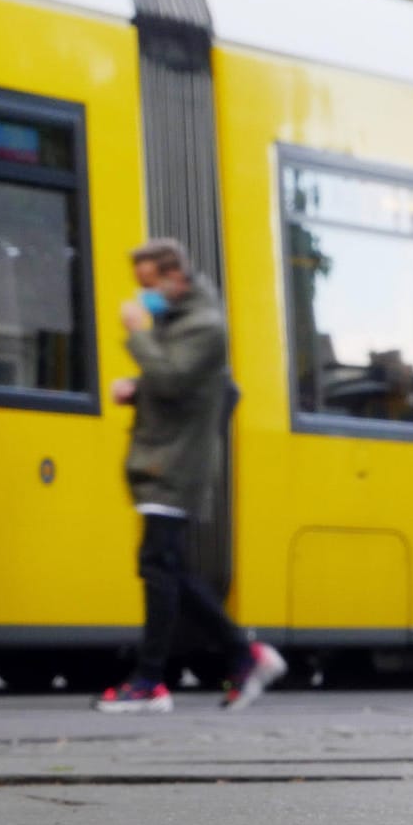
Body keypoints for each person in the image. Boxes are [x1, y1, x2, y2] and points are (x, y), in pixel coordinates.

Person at [95, 238, 285, 714]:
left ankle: (150, 681)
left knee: (159, 566)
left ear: (175, 278)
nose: (144, 297)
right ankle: (243, 655)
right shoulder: (181, 320)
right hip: (163, 458)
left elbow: (177, 380)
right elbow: (179, 388)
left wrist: (137, 335)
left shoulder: (205, 325)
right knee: (166, 567)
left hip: (176, 464)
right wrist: (136, 390)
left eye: (150, 285)